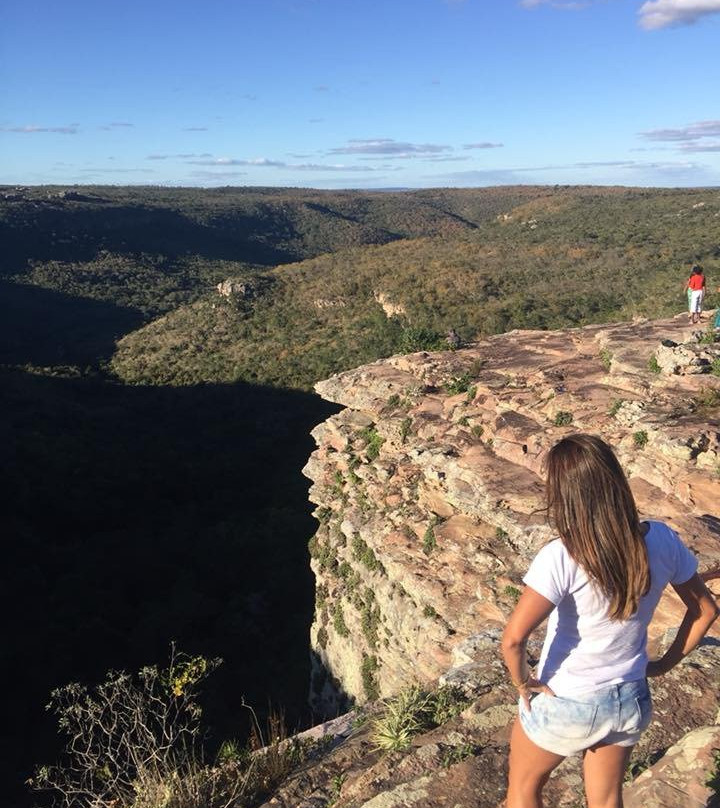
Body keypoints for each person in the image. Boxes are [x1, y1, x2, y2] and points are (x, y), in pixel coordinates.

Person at [501, 434, 718, 808]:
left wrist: (524, 685)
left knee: (523, 792)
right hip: (629, 699)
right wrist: (663, 665)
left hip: (569, 699)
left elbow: (514, 640)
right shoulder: (663, 539)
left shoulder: (562, 555)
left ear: (563, 494)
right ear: (616, 481)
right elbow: (706, 610)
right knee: (605, 800)